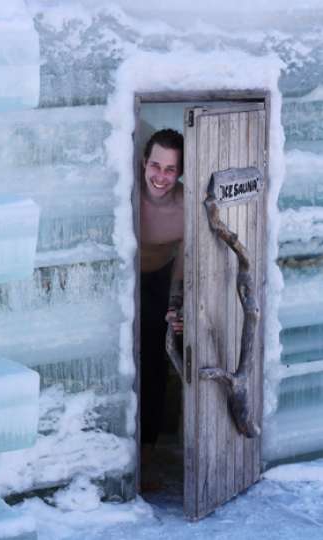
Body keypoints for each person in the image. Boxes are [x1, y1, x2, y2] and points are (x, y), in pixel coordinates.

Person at [139, 128, 184, 490]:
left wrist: (175, 305)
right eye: (156, 165)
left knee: (155, 362)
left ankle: (147, 453)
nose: (161, 176)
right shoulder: (127, 195)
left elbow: (185, 260)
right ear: (144, 163)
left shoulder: (185, 206)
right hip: (125, 279)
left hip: (159, 280)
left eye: (170, 169)